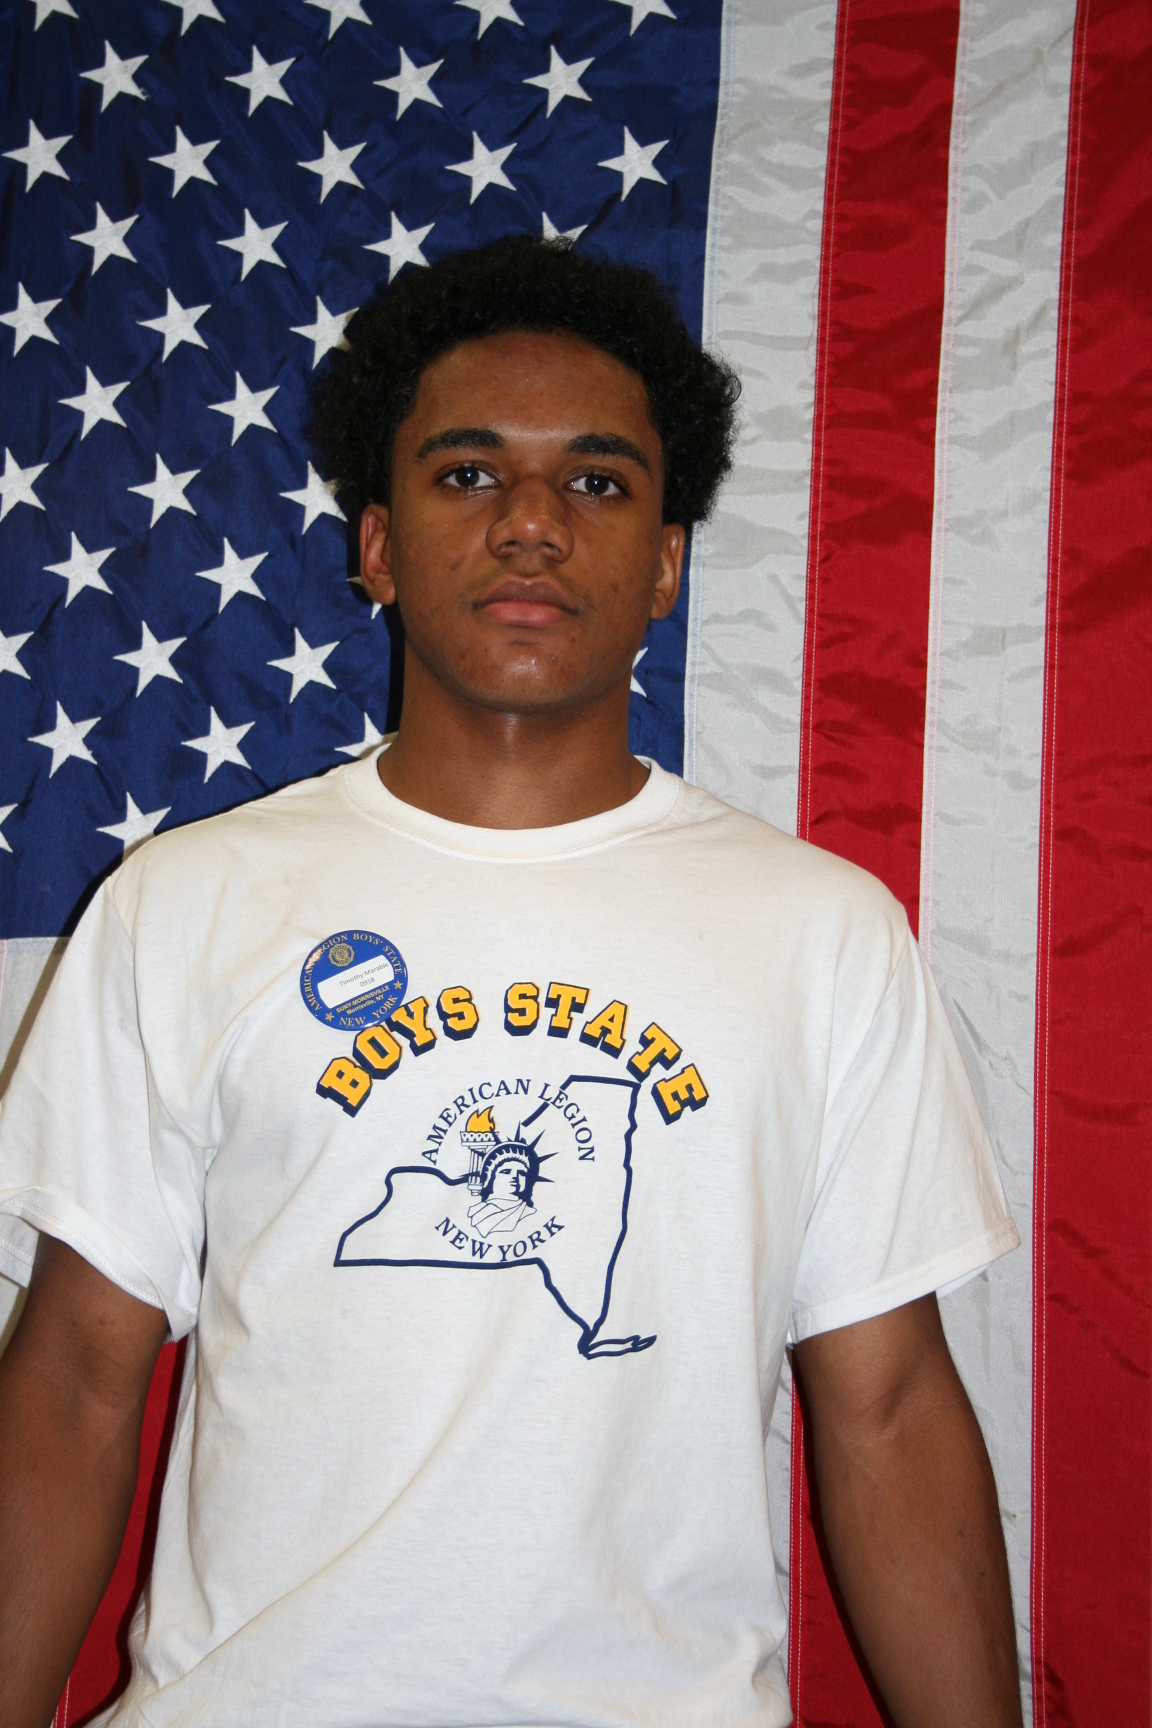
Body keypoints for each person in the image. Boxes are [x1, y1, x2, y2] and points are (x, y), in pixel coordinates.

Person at [0, 236, 1024, 1728]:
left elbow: (889, 1412)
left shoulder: (822, 934)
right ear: (379, 546)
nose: (532, 523)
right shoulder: (187, 904)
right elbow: (78, 1383)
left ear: (666, 562)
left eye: (597, 482)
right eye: (469, 473)